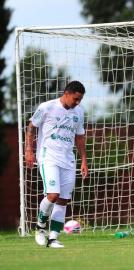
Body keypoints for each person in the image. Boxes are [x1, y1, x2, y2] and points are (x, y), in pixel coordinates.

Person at [25, 81, 88, 248]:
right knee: (53, 194)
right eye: (75, 98)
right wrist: (29, 151)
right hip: (48, 156)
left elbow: (79, 137)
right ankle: (40, 227)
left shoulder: (79, 112)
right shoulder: (47, 107)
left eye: (80, 99)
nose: (77, 102)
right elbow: (31, 127)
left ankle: (53, 238)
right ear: (66, 93)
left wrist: (83, 161)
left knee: (63, 200)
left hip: (68, 159)